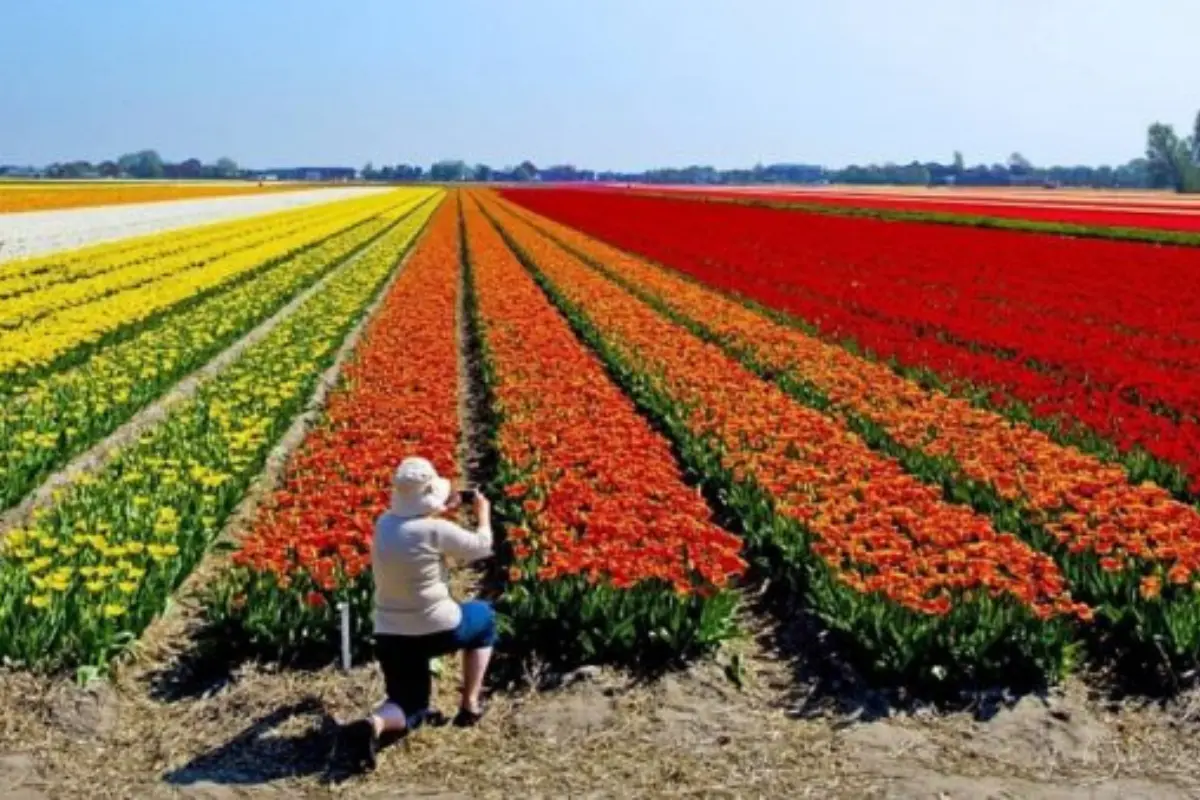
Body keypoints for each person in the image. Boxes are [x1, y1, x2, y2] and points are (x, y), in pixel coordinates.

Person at [344, 456, 495, 769]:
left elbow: (412, 529)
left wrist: (438, 510)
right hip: (438, 628)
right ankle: (469, 704)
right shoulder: (436, 530)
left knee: (409, 704)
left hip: (390, 634)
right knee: (484, 618)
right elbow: (482, 546)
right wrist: (483, 515)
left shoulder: (383, 524)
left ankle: (373, 725)